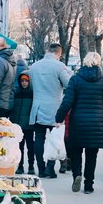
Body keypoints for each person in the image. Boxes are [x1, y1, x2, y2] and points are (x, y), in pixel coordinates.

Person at [55, 52, 103, 193]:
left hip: (78, 121)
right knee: (91, 155)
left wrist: (59, 118)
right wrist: (102, 115)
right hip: (96, 123)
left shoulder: (75, 79)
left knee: (76, 152)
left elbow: (67, 101)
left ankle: (77, 175)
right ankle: (89, 185)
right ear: (99, 63)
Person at [28, 44, 71, 177]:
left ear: (48, 51)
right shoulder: (60, 66)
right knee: (55, 140)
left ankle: (40, 169)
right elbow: (69, 84)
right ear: (59, 53)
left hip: (37, 108)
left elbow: (30, 86)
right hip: (55, 109)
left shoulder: (34, 66)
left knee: (39, 138)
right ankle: (50, 168)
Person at [10, 71, 35, 173]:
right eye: (22, 81)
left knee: (30, 146)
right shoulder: (16, 93)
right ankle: (20, 166)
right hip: (18, 124)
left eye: (26, 81)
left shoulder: (32, 94)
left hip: (28, 125)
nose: (24, 83)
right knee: (19, 147)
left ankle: (31, 166)